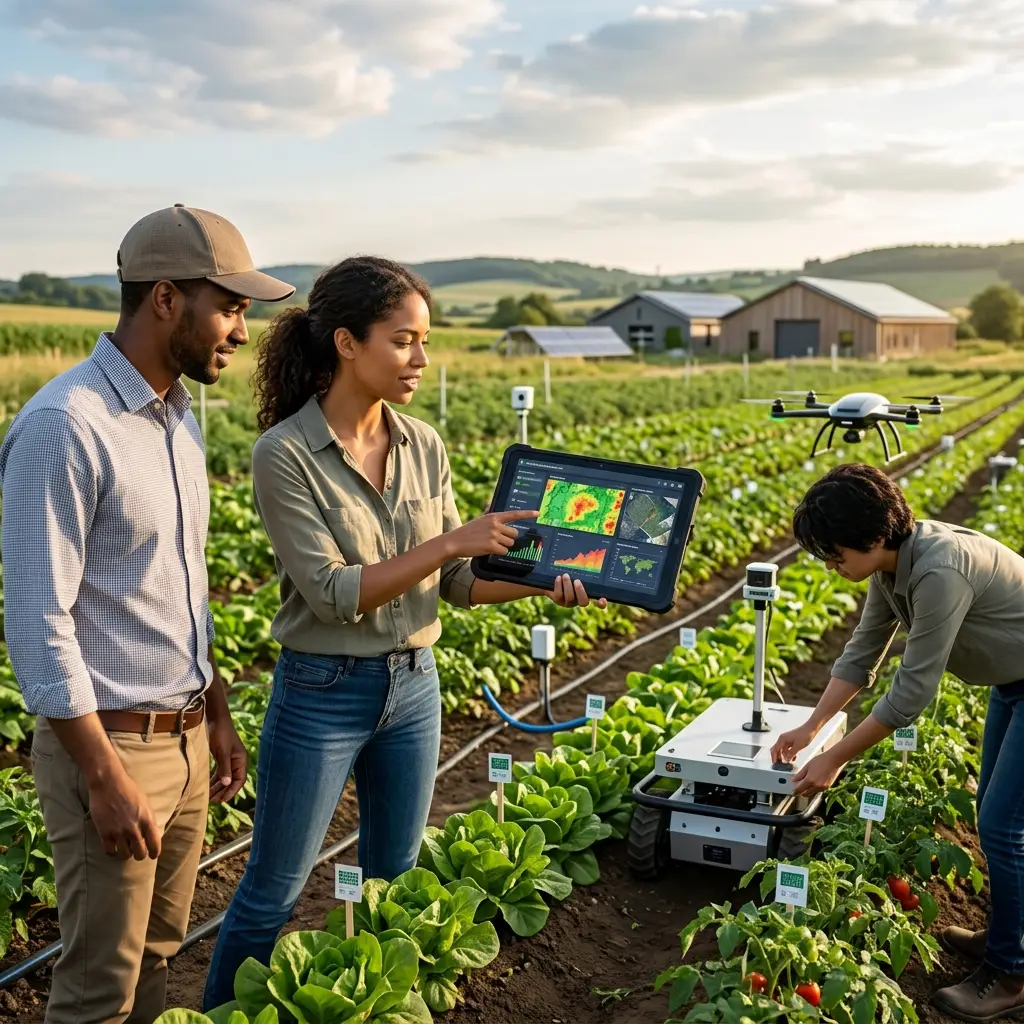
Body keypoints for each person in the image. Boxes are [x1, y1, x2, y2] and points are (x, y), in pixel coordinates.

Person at [202, 256, 605, 1009]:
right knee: (273, 888)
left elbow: (456, 586)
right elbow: (331, 594)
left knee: (397, 882)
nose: (422, 358)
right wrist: (453, 541)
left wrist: (546, 582)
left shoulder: (424, 443)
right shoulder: (284, 454)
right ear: (348, 343)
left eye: (425, 341)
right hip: (322, 691)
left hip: (415, 689)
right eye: (404, 340)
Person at [0, 205, 295, 1024]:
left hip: (186, 736)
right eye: (230, 307)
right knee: (98, 988)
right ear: (167, 298)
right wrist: (102, 774)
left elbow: (181, 581)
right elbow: (36, 621)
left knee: (158, 963)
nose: (242, 329)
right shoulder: (67, 425)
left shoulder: (175, 418)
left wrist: (217, 713)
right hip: (116, 746)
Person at [770, 462, 1024, 1022]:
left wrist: (834, 758)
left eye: (835, 554)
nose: (832, 566)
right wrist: (811, 727)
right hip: (1014, 681)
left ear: (876, 535)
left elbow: (911, 692)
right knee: (993, 813)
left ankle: (1011, 973)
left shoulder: (940, 571)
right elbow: (864, 653)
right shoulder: (891, 567)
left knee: (1003, 825)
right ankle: (1010, 934)